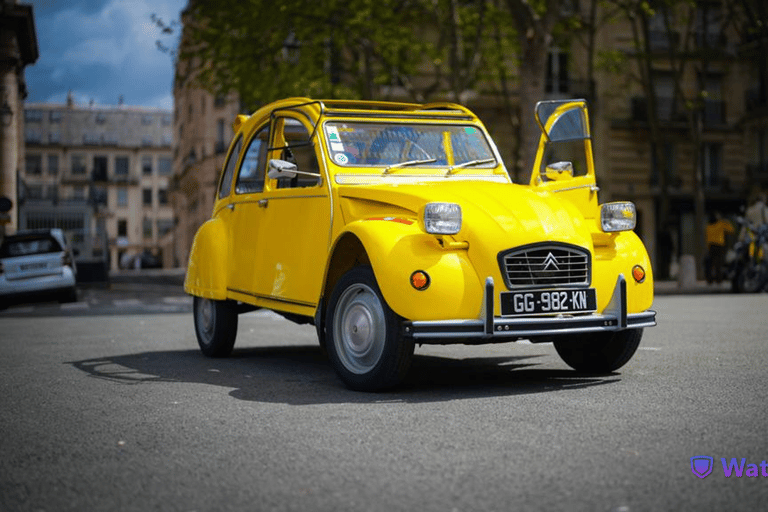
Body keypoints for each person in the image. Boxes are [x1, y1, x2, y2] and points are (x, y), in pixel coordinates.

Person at [705, 211, 733, 284]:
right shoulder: (721, 223)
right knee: (719, 264)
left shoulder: (708, 225)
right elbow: (731, 230)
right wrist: (727, 222)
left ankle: (709, 280)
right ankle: (718, 280)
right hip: (720, 246)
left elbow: (707, 237)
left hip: (711, 245)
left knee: (711, 264)